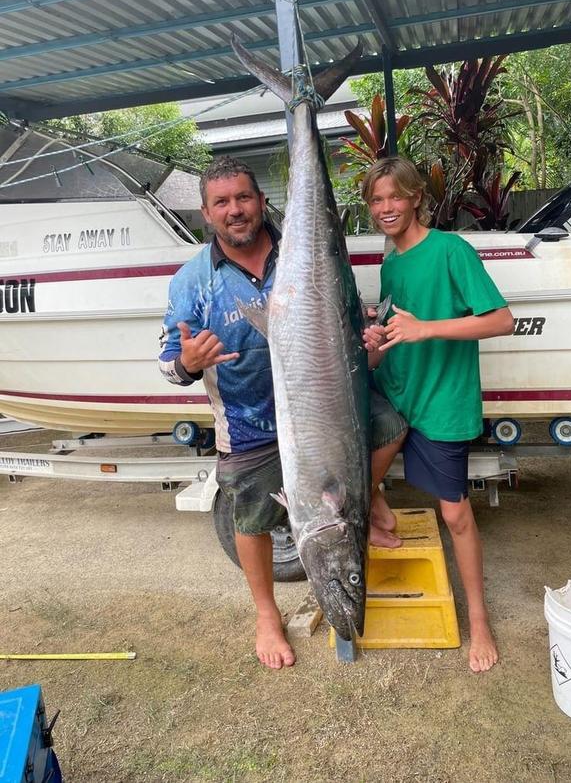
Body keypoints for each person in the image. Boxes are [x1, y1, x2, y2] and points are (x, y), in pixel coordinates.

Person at [159, 156, 406, 670]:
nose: (235, 210)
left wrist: (366, 336)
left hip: (325, 411)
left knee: (388, 426)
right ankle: (266, 615)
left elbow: (346, 320)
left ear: (262, 201)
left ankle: (370, 496)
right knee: (250, 518)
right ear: (206, 214)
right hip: (247, 419)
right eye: (222, 203)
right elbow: (168, 364)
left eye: (243, 198)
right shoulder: (191, 281)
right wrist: (187, 363)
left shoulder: (305, 252)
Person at [361, 156, 515, 673]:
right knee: (351, 485)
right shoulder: (391, 264)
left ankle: (481, 621)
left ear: (415, 198)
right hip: (393, 394)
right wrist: (376, 342)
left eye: (395, 197)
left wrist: (429, 327)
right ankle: (377, 512)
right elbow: (392, 334)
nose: (386, 208)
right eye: (377, 200)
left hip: (442, 401)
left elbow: (502, 321)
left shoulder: (451, 249)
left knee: (454, 514)